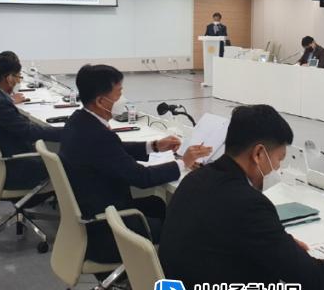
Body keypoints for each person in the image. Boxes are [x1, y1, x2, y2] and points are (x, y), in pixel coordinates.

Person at [159, 104, 324, 290]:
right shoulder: (249, 204)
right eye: (279, 159)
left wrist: (279, 243)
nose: (278, 167)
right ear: (258, 154)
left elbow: (222, 237)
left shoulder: (194, 180)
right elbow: (314, 281)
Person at [59, 64, 211, 263]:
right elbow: (142, 177)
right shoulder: (98, 136)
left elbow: (113, 150)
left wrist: (154, 146)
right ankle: (165, 266)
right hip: (108, 229)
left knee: (157, 204)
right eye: (118, 93)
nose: (122, 99)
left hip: (95, 209)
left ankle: (161, 260)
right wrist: (183, 163)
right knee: (185, 225)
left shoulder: (78, 121)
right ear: (100, 101)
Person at [0, 56, 60, 190]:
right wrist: (64, 132)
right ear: (9, 78)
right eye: (18, 77)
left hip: (3, 160)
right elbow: (28, 131)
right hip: (16, 166)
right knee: (67, 161)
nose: (19, 81)